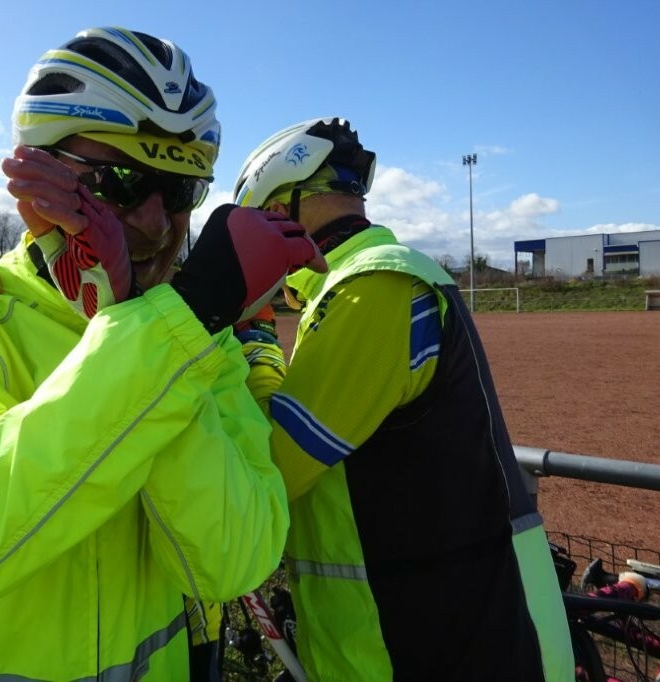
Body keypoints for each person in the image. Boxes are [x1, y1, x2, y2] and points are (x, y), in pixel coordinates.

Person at [0, 27, 325, 680]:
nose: (156, 223)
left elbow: (231, 564)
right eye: (120, 181)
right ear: (36, 170)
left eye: (181, 191)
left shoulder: (200, 341)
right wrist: (172, 327)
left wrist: (151, 319)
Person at [232, 117, 574, 681]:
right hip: (417, 636)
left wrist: (256, 344)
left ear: (282, 210)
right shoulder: (363, 283)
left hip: (432, 645)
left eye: (259, 226)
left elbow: (273, 465)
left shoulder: (373, 288)